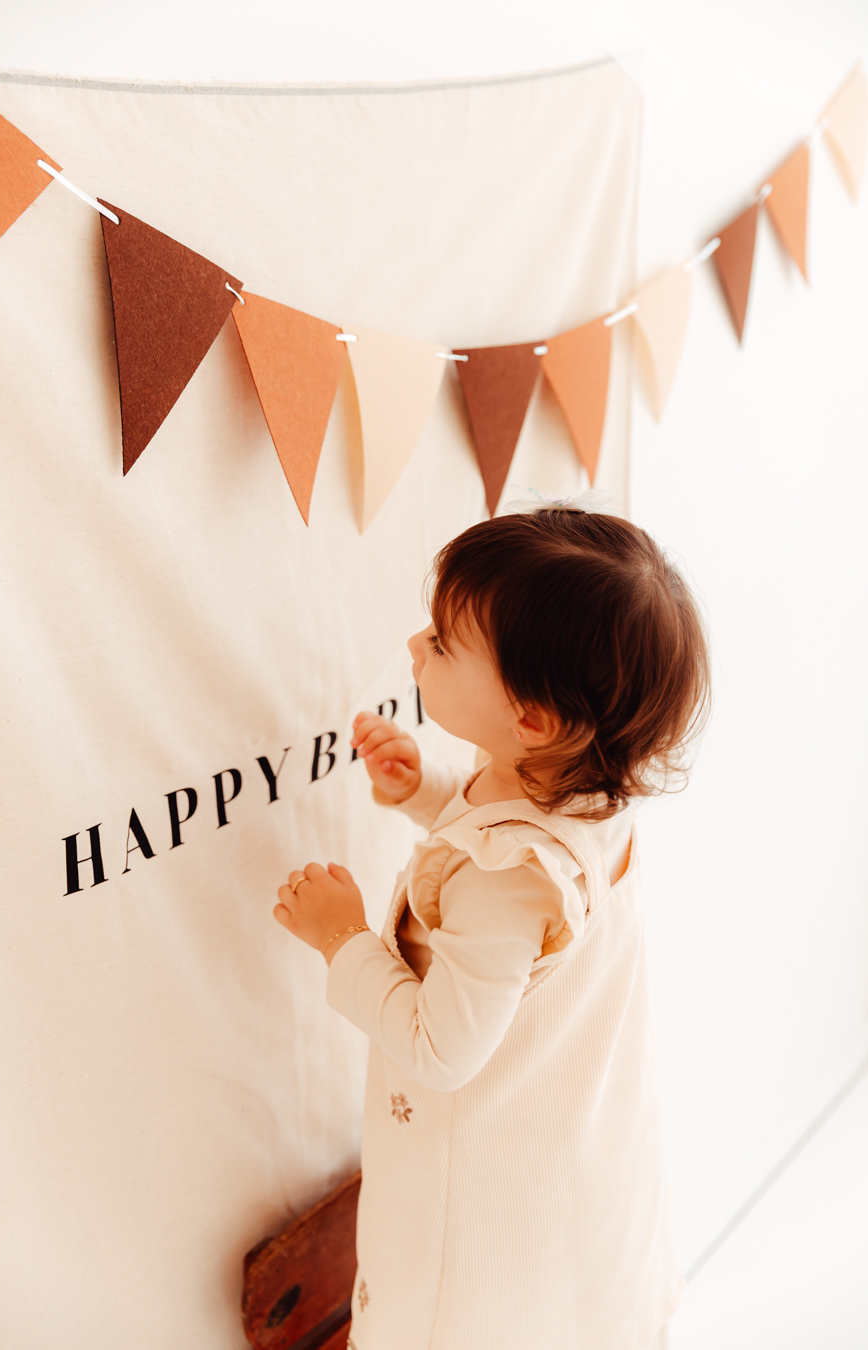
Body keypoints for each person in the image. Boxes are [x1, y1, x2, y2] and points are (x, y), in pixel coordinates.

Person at [273, 500, 710, 1350]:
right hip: (577, 1157)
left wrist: (341, 937)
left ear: (531, 718)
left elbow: (441, 1049)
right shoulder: (588, 785)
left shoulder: (505, 878)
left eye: (441, 643)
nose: (415, 645)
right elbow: (508, 849)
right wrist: (426, 791)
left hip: (484, 1206)